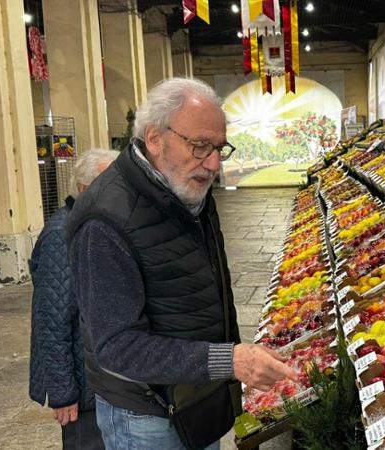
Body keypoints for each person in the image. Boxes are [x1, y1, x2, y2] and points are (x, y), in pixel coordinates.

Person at [66, 77, 296, 450]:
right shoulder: (104, 222)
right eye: (201, 146)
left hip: (194, 397)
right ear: (155, 138)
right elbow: (118, 347)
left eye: (220, 148)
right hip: (145, 415)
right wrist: (230, 359)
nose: (214, 163)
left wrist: (231, 359)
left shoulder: (186, 191)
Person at [29, 148, 120, 450]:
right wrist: (63, 393)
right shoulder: (62, 234)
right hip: (82, 391)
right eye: (110, 183)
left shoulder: (95, 225)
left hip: (104, 378)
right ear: (83, 189)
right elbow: (51, 322)